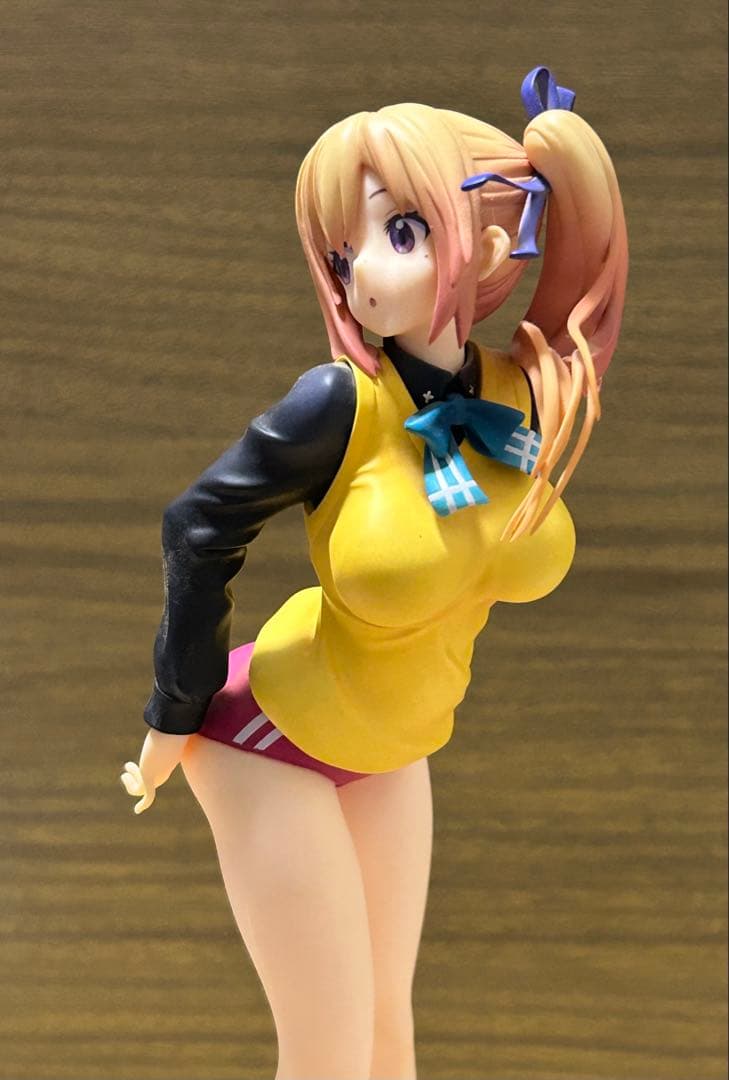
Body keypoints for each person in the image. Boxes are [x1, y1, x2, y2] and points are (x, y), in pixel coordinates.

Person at [120, 67, 628, 1079]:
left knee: (389, 1033)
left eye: (398, 231)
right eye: (341, 250)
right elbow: (199, 523)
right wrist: (175, 710)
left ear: (489, 245)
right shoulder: (339, 403)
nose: (360, 273)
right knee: (328, 1050)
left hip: (397, 743)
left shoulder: (517, 397)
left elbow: (582, 309)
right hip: (269, 738)